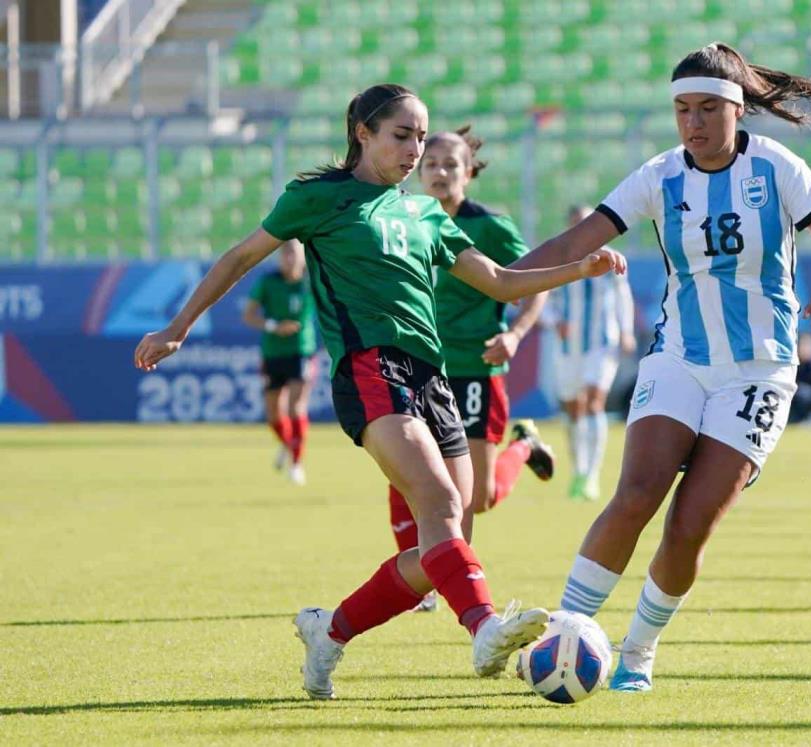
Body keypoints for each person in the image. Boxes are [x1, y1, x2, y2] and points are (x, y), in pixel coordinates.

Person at [133, 83, 627, 699]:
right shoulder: (317, 199)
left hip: (434, 378)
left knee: (441, 540)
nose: (416, 148)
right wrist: (177, 327)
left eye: (422, 136)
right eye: (402, 134)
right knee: (443, 507)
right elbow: (240, 257)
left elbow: (501, 282)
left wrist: (579, 269)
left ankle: (328, 631)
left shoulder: (424, 214)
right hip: (368, 370)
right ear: (362, 133)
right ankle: (484, 626)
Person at [510, 43, 811, 691]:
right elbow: (573, 242)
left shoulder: (778, 167)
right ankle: (565, 635)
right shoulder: (658, 176)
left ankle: (638, 652)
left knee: (688, 523)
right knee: (636, 495)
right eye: (682, 110)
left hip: (761, 372)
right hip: (679, 356)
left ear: (737, 110)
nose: (693, 122)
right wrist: (496, 280)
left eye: (707, 108)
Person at [387, 125, 556, 613]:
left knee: (476, 498)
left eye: (450, 165)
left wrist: (515, 334)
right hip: (416, 367)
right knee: (406, 470)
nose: (440, 173)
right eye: (431, 165)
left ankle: (523, 445)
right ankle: (433, 575)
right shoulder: (403, 220)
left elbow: (530, 282)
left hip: (474, 369)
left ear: (469, 173)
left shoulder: (489, 228)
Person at [545, 205, 636, 502]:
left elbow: (623, 297)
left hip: (601, 342)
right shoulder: (561, 258)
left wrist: (626, 331)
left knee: (594, 401)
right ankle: (579, 470)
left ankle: (592, 475)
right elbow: (543, 296)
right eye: (576, 224)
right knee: (573, 407)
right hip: (568, 346)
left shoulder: (611, 259)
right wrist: (553, 321)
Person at [242, 239, 317, 485]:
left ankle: (297, 464)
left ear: (303, 257)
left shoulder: (311, 281)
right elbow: (249, 315)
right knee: (274, 414)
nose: (290, 258)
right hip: (273, 352)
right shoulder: (268, 282)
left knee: (296, 407)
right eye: (285, 254)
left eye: (294, 253)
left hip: (301, 350)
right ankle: (288, 445)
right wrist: (274, 326)